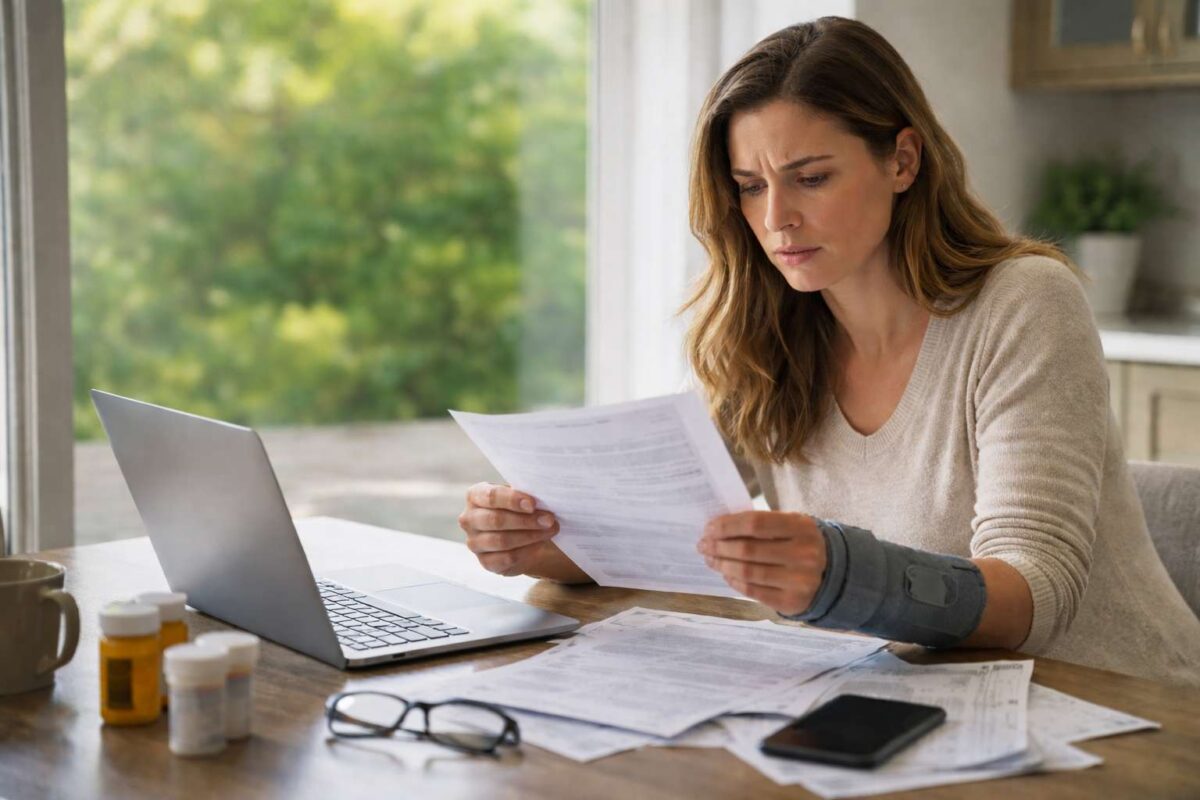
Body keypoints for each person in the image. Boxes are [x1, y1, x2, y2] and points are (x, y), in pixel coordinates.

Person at [457, 17, 1200, 686]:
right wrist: (539, 540)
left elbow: (1034, 595)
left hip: (1115, 709)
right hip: (906, 701)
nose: (776, 218)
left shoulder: (1024, 303)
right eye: (749, 187)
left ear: (902, 161)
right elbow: (667, 534)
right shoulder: (769, 336)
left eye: (811, 178)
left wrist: (843, 573)